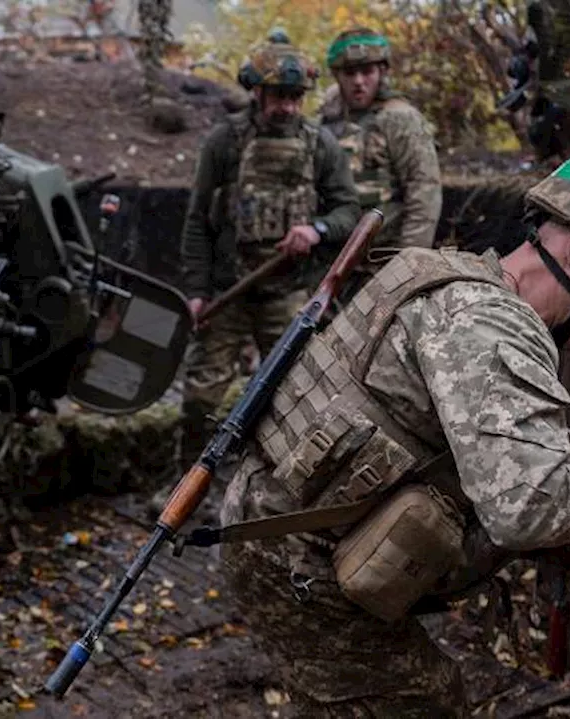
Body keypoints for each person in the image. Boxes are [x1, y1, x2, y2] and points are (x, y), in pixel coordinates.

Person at [216, 146, 570, 716]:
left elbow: (498, 457)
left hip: (284, 538)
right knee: (421, 701)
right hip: (298, 564)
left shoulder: (463, 285)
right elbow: (523, 506)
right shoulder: (490, 322)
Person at [158, 30, 361, 515]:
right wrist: (197, 292)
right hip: (230, 289)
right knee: (201, 395)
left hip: (288, 293)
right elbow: (198, 223)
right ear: (256, 91)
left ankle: (285, 488)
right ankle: (190, 487)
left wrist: (315, 229)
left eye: (295, 97)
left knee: (296, 394)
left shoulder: (321, 145)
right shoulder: (224, 142)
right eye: (278, 96)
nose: (287, 107)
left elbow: (350, 211)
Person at [319, 28, 442, 252]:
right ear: (337, 76)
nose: (358, 81)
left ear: (381, 72)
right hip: (330, 252)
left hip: (384, 253)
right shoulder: (325, 120)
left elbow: (424, 194)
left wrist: (410, 259)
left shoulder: (400, 118)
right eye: (349, 73)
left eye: (367, 71)